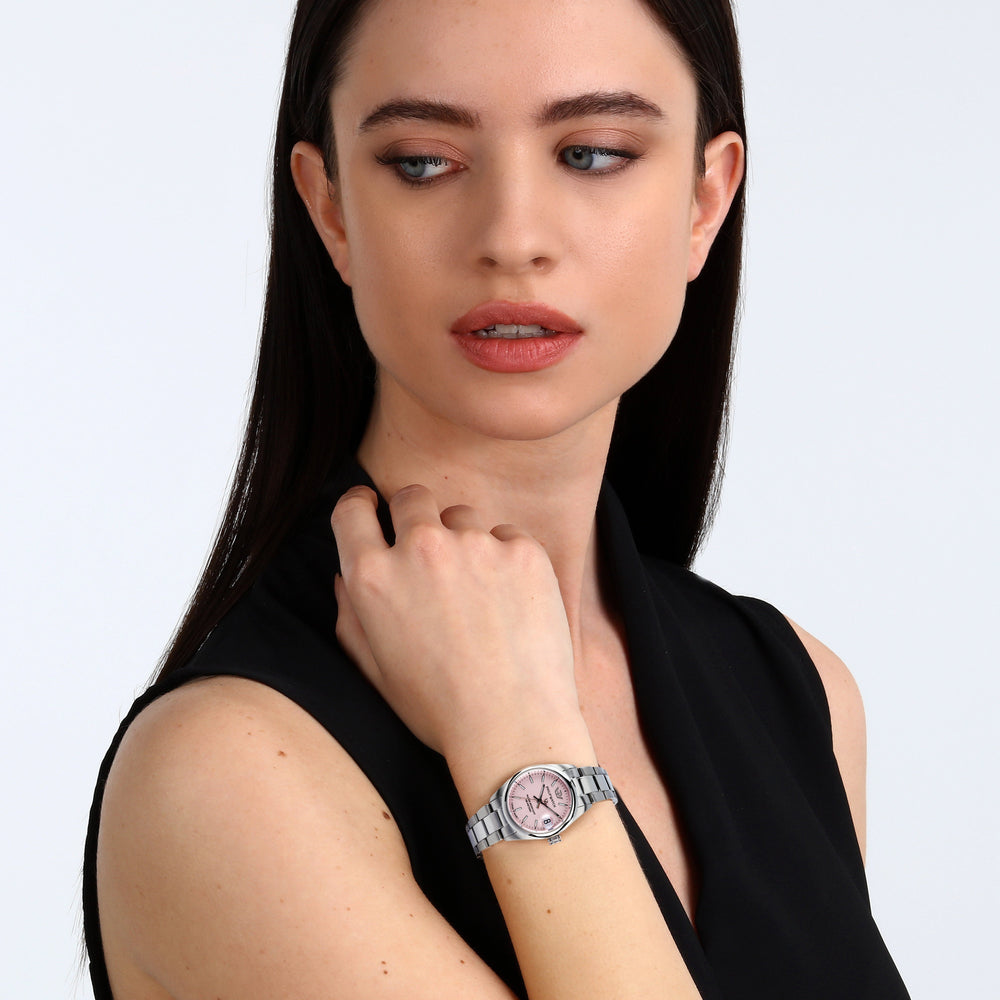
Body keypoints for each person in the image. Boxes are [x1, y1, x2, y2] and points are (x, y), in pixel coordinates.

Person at [83, 0, 910, 997]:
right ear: (331, 208)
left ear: (706, 197)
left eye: (593, 154)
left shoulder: (799, 691)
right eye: (423, 163)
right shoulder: (224, 776)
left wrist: (515, 723)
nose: (512, 238)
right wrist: (519, 748)